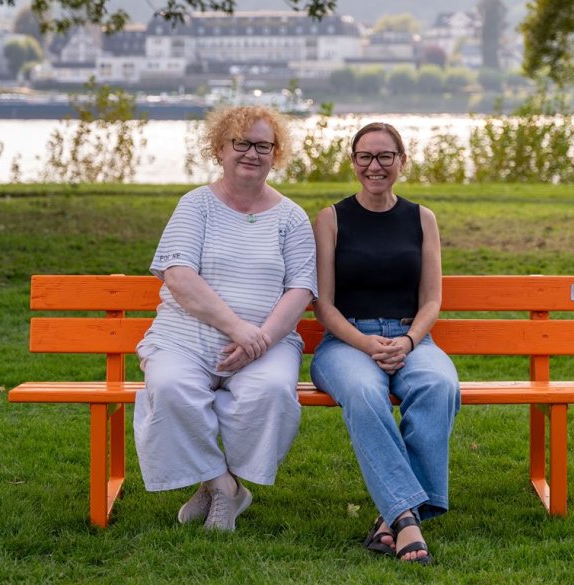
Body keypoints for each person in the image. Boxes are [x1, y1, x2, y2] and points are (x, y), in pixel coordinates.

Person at [134, 105, 317, 532]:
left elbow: (301, 289)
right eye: (242, 143)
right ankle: (224, 486)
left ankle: (215, 485)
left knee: (270, 391)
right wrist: (240, 330)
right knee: (169, 386)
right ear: (220, 148)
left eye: (263, 146)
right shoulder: (195, 206)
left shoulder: (291, 217)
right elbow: (179, 276)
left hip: (267, 345)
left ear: (276, 154)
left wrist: (263, 339)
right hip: (185, 337)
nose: (252, 153)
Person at [310, 122, 460, 564]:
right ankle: (409, 520)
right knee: (363, 391)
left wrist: (411, 341)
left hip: (412, 338)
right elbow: (323, 306)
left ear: (402, 162)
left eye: (384, 157)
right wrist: (365, 342)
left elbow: (432, 299)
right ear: (353, 162)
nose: (374, 166)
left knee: (439, 386)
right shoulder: (331, 218)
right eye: (365, 157)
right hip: (346, 343)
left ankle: (392, 514)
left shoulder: (422, 218)